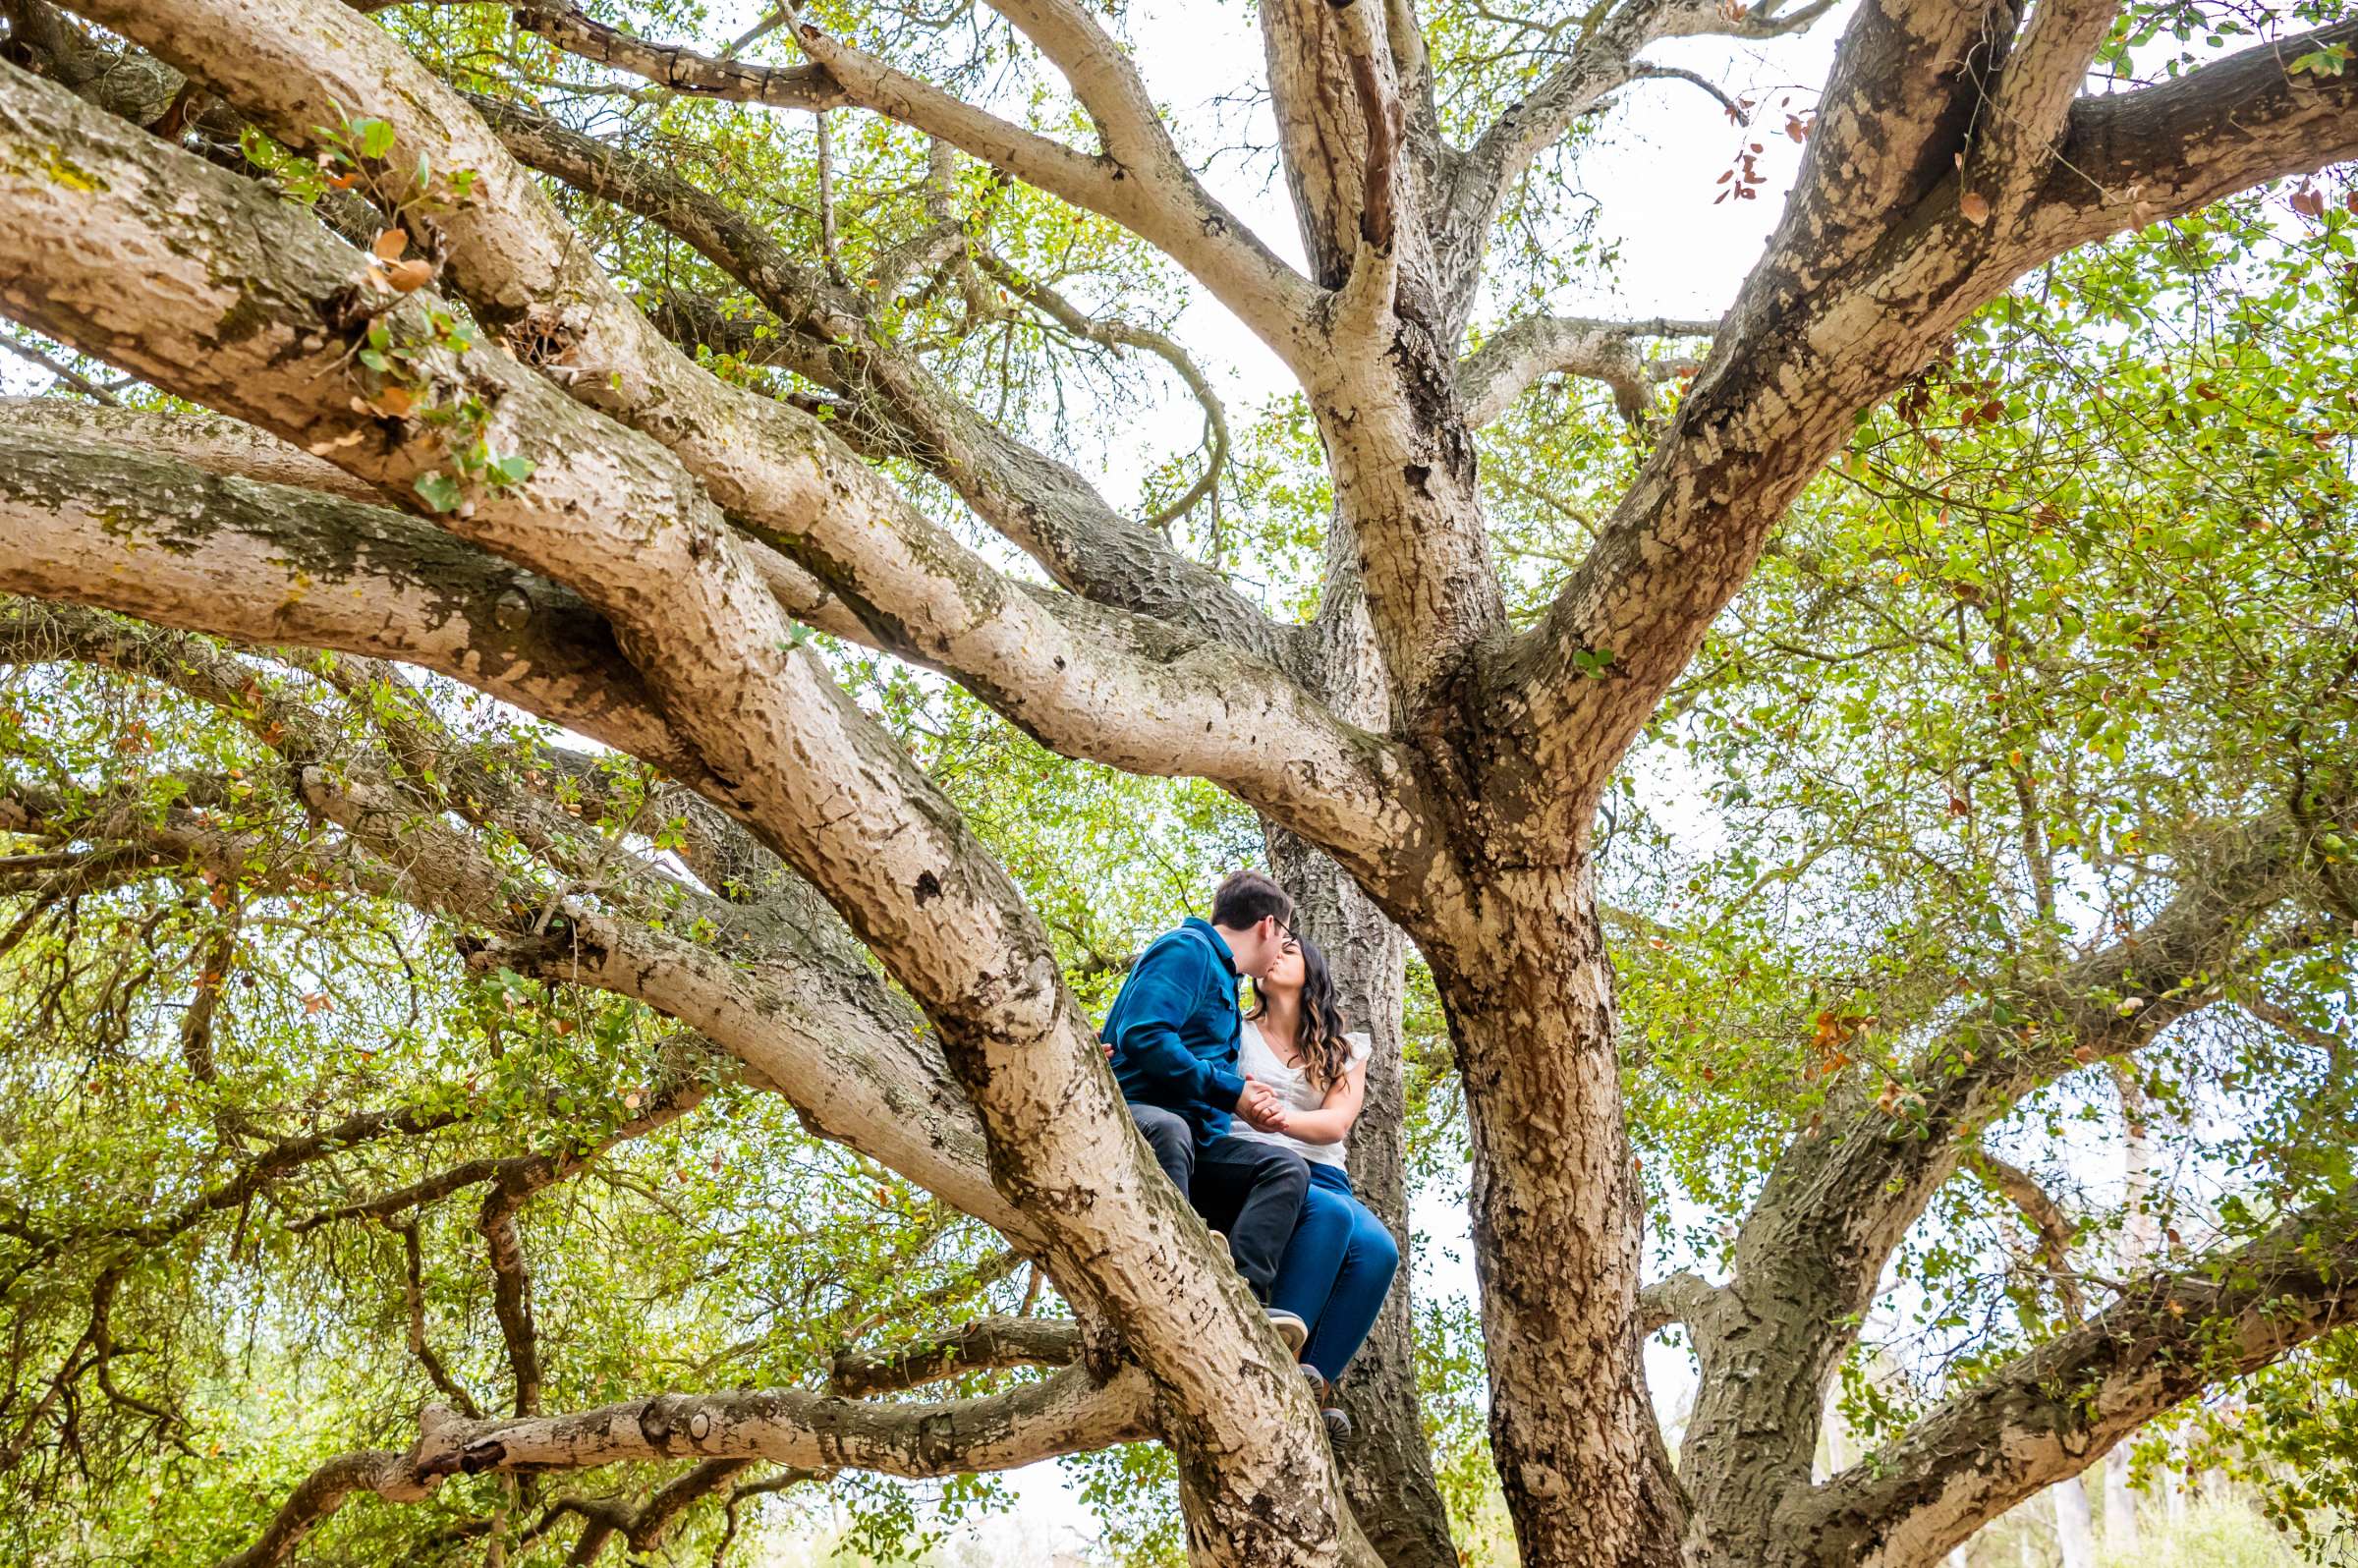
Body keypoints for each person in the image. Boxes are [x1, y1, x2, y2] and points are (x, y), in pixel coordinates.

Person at [1100, 870, 1311, 1352]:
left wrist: (1241, 1099)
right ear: (1267, 926)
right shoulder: (1188, 950)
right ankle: (1180, 1275)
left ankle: (1243, 1303)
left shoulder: (1227, 981)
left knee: (1283, 1168)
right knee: (1170, 1129)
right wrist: (1229, 1090)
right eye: (1285, 936)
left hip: (1196, 1140)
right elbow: (1145, 1036)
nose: (1282, 949)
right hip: (1138, 1118)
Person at [1228, 929, 1399, 1442]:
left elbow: (1334, 1124)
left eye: (1291, 949)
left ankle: (1314, 1384)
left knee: (1378, 1250)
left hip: (1326, 1170)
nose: (1278, 954)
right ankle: (1282, 1362)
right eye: (1273, 948)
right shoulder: (1234, 1029)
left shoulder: (1344, 1048)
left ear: (1313, 969)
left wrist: (1275, 1116)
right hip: (1259, 1166)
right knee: (1331, 1215)